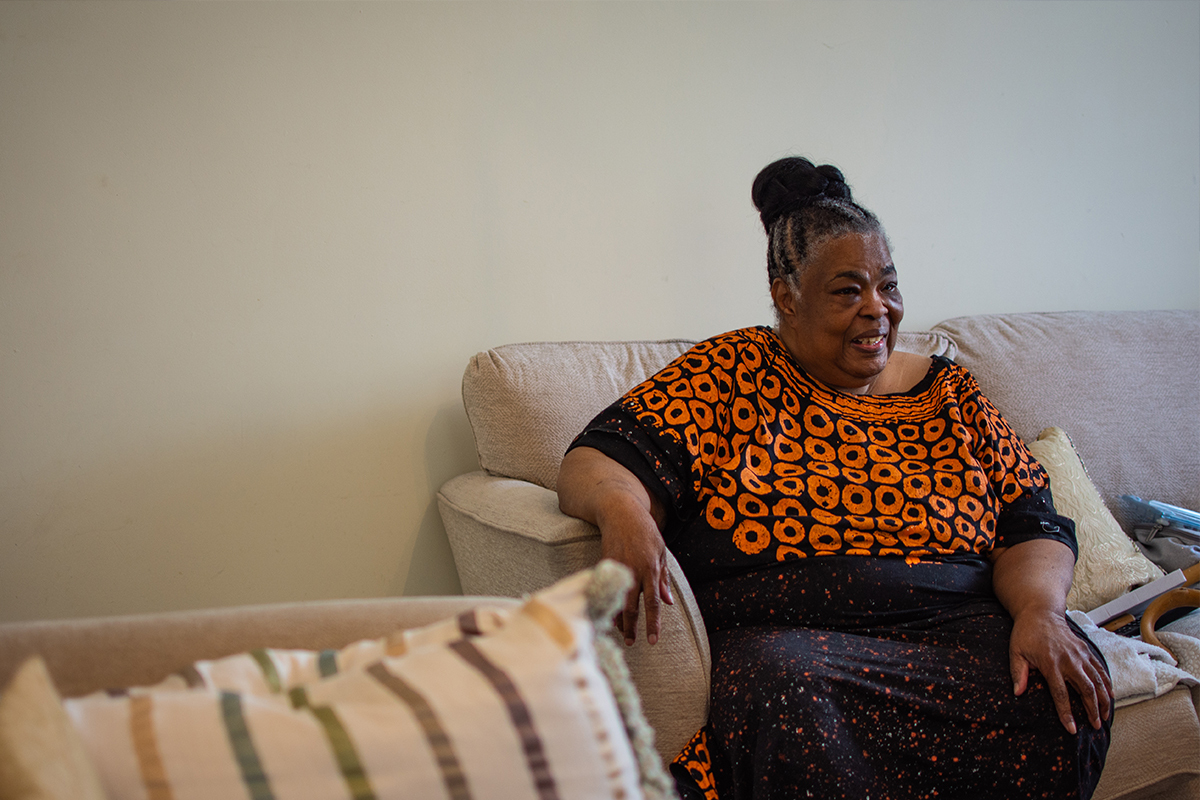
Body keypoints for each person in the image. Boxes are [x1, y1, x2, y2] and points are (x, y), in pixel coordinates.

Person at [556, 157, 1113, 800]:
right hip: (796, 648)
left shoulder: (949, 392)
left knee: (1063, 683)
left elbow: (1031, 519)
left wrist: (1042, 611)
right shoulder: (731, 371)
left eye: (888, 286)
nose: (878, 309)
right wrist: (623, 509)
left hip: (953, 634)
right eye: (849, 291)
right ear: (786, 296)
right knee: (783, 684)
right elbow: (596, 458)